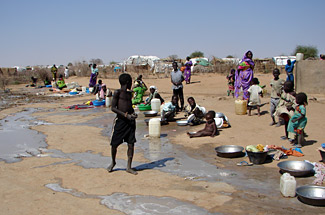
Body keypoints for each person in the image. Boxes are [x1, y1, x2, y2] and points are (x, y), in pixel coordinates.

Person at [107, 73, 138, 175]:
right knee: (114, 144)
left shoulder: (129, 94)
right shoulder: (117, 93)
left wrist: (133, 113)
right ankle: (113, 162)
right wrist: (126, 115)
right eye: (131, 81)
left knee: (131, 144)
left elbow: (129, 107)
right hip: (121, 121)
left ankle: (129, 167)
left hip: (130, 122)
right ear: (127, 82)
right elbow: (113, 108)